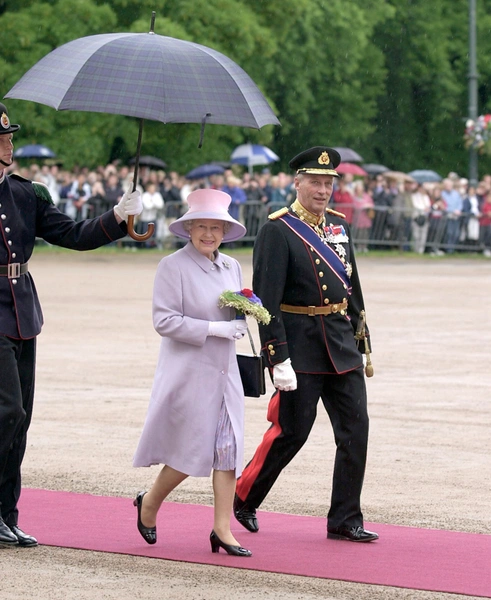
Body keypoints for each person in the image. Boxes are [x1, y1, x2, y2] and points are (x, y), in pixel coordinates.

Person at [0, 102, 142, 548]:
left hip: (22, 312)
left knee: (20, 423)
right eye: (4, 138)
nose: (11, 143)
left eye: (8, 137)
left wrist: (117, 217)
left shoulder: (25, 193)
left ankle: (6, 515)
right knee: (7, 413)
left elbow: (73, 235)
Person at [233, 146, 378, 543]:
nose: (323, 189)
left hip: (340, 342)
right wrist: (276, 356)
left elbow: (351, 286)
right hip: (299, 346)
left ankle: (345, 518)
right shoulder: (277, 230)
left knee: (356, 431)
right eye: (315, 181)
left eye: (329, 182)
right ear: (296, 182)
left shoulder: (337, 226)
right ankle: (244, 497)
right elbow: (265, 299)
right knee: (292, 432)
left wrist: (361, 334)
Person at [132, 188, 253, 557]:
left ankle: (222, 529)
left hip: (225, 373)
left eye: (216, 227)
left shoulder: (231, 266)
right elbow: (164, 320)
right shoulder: (172, 266)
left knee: (227, 449)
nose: (209, 234)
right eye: (202, 226)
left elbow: (235, 309)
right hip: (189, 373)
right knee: (190, 452)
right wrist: (213, 329)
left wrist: (243, 319)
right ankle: (150, 502)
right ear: (188, 229)